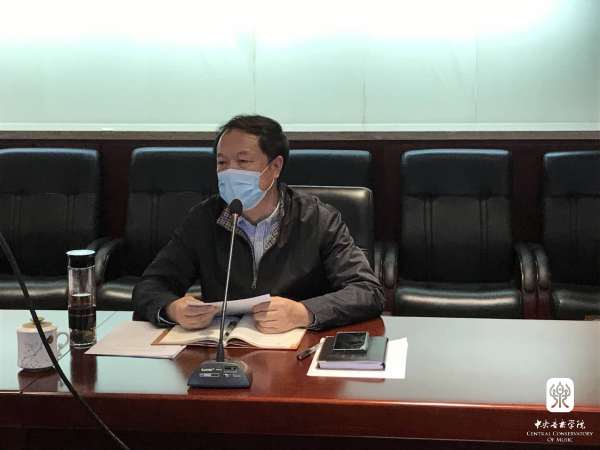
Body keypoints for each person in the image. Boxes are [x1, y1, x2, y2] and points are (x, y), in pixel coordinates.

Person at [133, 115, 384, 332]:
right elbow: (151, 285)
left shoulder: (317, 218)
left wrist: (303, 312)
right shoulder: (203, 219)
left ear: (275, 167)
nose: (230, 172)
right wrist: (172, 308)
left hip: (297, 348)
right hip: (223, 348)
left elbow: (366, 291)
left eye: (243, 162)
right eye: (222, 162)